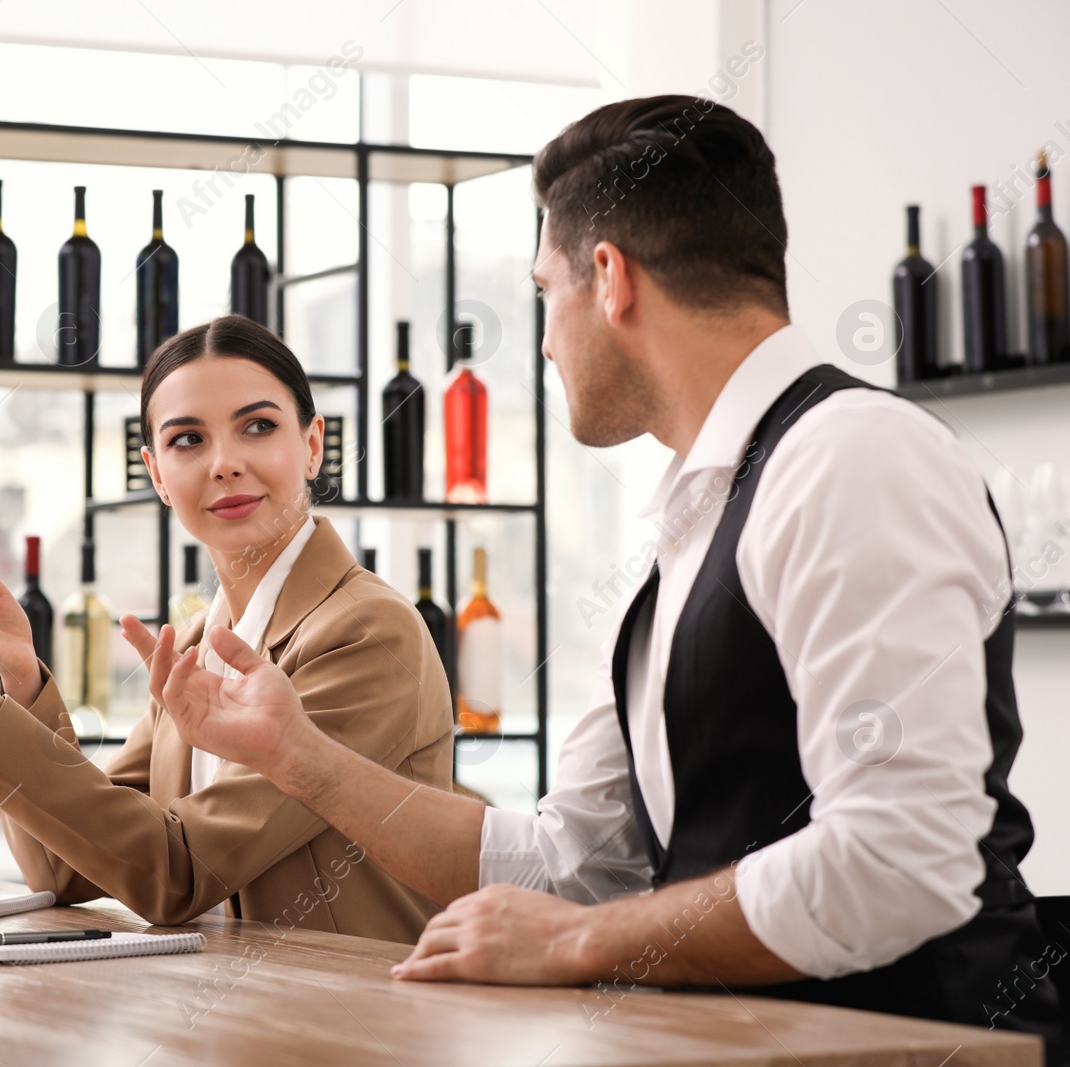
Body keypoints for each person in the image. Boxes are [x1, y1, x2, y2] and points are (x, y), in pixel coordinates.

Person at [131, 95, 1065, 1055]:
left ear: (610, 279)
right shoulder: (694, 514)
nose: (542, 339)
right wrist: (297, 756)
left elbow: (899, 860)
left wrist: (579, 942)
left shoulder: (855, 457)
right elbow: (569, 859)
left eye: (545, 292)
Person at [0, 314, 452, 944]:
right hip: (225, 1021)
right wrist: (18, 679)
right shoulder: (196, 645)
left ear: (311, 445)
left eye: (258, 426)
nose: (224, 464)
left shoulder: (368, 635)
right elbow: (67, 866)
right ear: (158, 475)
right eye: (188, 440)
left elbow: (177, 875)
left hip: (353, 1029)